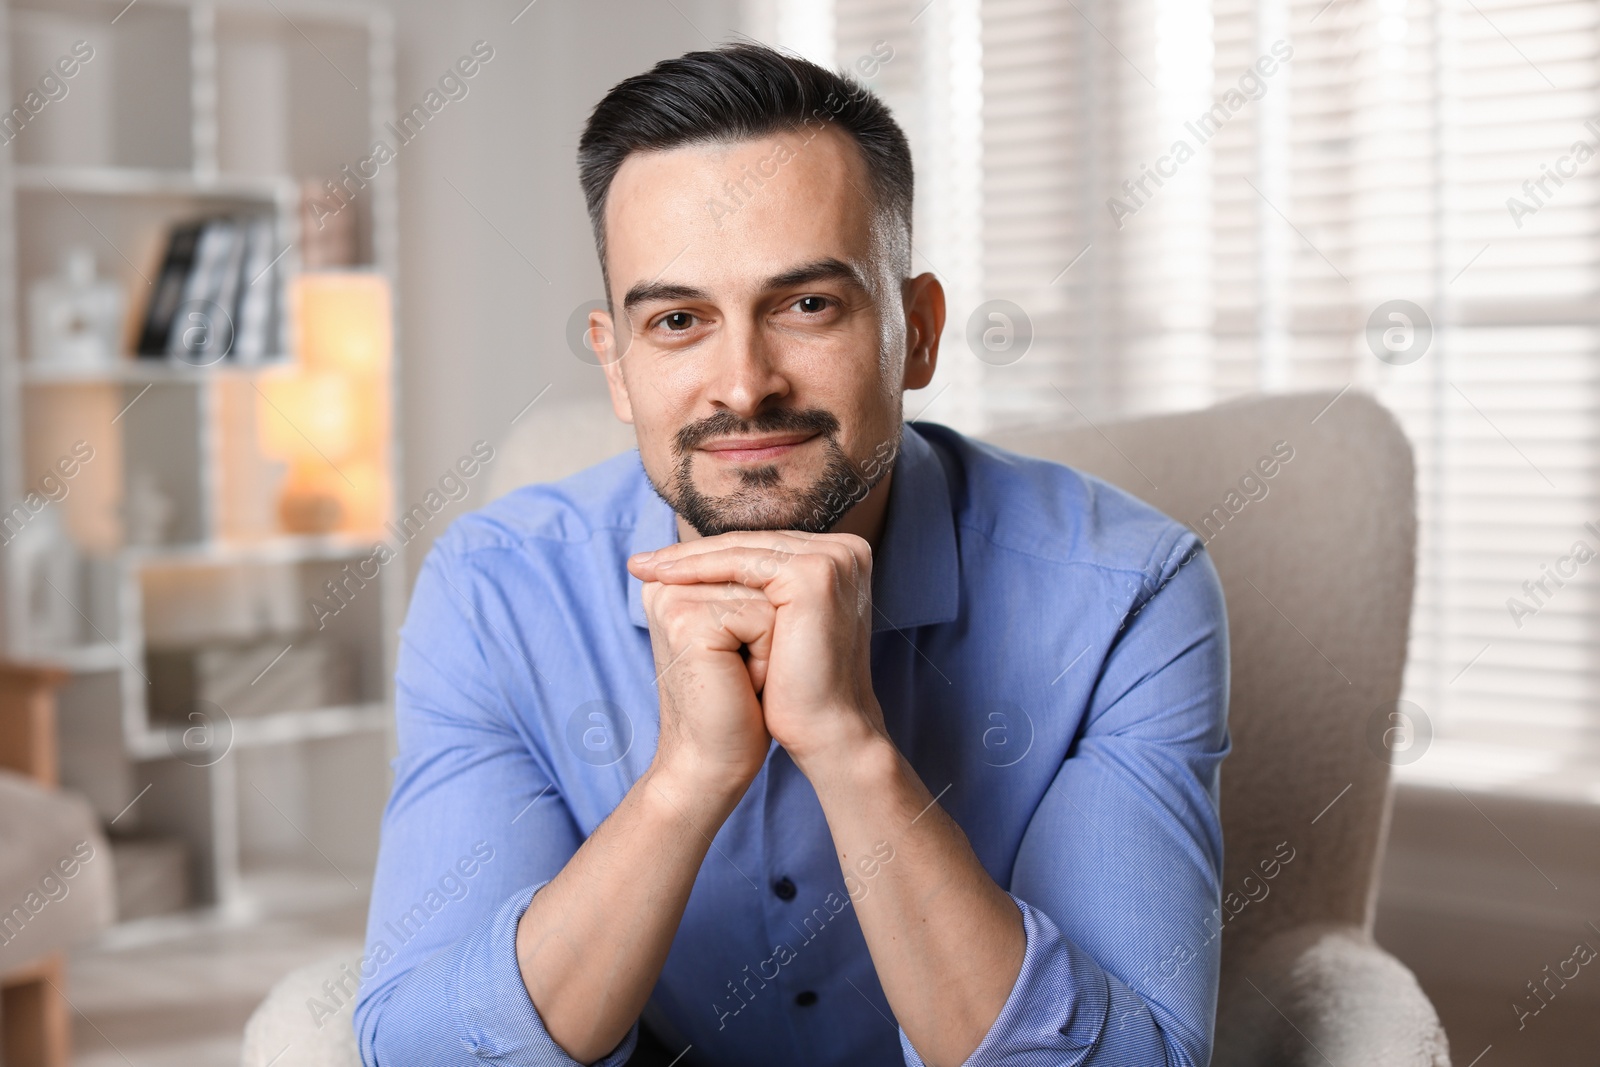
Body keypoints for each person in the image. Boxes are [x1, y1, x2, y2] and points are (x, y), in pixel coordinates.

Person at [354, 41, 1229, 1067]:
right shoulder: (492, 590)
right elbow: (422, 1051)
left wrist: (851, 749)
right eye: (678, 320)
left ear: (920, 329)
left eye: (807, 304)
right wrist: (683, 781)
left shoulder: (1131, 591)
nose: (743, 384)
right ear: (619, 365)